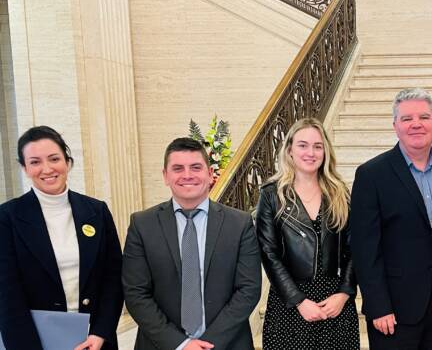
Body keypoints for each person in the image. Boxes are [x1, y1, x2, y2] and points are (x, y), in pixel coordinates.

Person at [350, 87, 432, 350]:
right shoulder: (371, 175)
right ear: (395, 125)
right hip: (393, 311)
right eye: (407, 119)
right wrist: (378, 305)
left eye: (424, 117)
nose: (416, 124)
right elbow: (364, 248)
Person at [122, 137, 261, 350]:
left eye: (195, 167)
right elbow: (135, 293)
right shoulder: (142, 224)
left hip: (227, 344)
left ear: (210, 173)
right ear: (165, 176)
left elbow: (249, 289)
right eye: (178, 168)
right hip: (162, 345)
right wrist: (181, 344)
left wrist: (208, 344)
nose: (187, 175)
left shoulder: (239, 224)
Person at [0, 126, 124, 350]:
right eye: (35, 162)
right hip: (36, 341)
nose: (47, 169)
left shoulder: (97, 211)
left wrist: (100, 333)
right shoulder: (8, 218)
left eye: (54, 158)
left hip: (94, 341)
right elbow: (7, 296)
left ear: (67, 161)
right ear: (24, 168)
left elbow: (113, 278)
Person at [255, 118, 359, 349]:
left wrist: (344, 293)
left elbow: (355, 248)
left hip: (335, 304)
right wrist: (299, 300)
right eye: (303, 145)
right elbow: (268, 253)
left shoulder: (341, 193)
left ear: (325, 152)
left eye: (317, 146)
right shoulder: (272, 195)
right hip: (290, 304)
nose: (310, 152)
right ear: (289, 149)